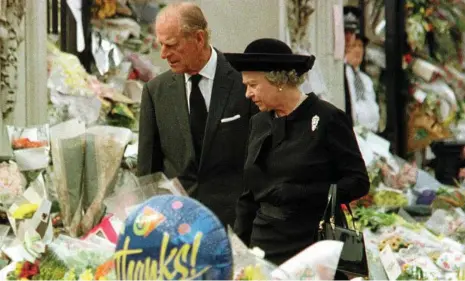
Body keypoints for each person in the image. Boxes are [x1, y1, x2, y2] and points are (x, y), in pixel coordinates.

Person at [225, 38, 370, 266]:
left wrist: (302, 193)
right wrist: (238, 251)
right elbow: (248, 195)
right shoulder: (258, 123)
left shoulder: (328, 118)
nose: (247, 94)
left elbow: (358, 182)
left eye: (253, 85)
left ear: (279, 81)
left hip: (314, 245)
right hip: (265, 246)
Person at [137, 2, 256, 227]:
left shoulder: (244, 84)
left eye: (171, 45)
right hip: (176, 226)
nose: (163, 54)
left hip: (235, 225)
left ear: (199, 38)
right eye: (161, 45)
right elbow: (147, 175)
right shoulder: (155, 92)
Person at [345, 33, 380, 132]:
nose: (358, 50)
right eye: (354, 45)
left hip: (370, 133)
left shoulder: (366, 80)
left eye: (360, 46)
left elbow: (372, 106)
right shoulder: (344, 75)